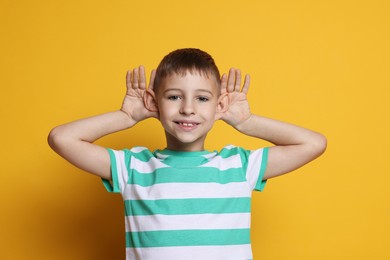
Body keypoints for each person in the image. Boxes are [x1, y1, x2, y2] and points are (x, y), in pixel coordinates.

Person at [48, 48, 327, 260]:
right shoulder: (133, 167)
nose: (188, 109)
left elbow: (313, 143)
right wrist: (126, 117)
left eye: (202, 98)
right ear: (153, 102)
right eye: (173, 97)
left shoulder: (239, 167)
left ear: (220, 106)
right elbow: (61, 138)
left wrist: (245, 122)